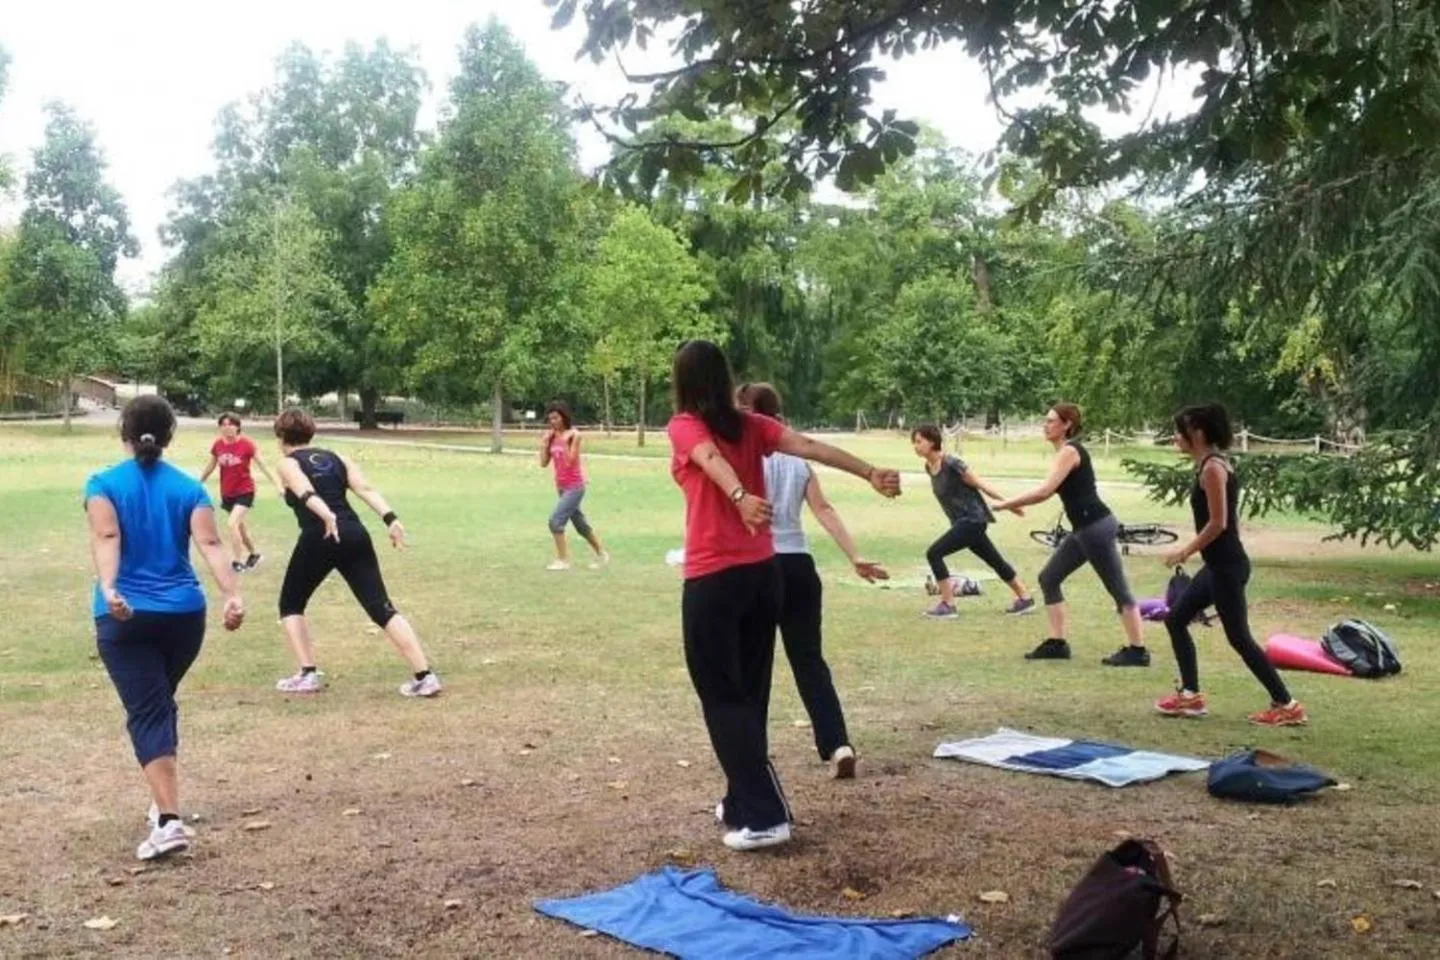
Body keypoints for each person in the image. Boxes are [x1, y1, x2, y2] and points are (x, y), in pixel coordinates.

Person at [670, 342, 900, 852]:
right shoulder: (752, 424)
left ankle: (767, 816)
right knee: (749, 693)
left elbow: (708, 458)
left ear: (683, 382)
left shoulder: (687, 424)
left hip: (714, 581)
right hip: (762, 576)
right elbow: (812, 448)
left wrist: (737, 497)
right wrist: (868, 472)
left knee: (721, 695)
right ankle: (741, 800)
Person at [85, 396, 245, 861]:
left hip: (126, 621)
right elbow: (212, 544)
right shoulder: (189, 489)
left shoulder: (103, 484)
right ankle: (161, 807)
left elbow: (107, 536)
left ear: (124, 433)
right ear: (170, 435)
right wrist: (232, 594)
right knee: (158, 703)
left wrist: (111, 588)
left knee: (150, 711)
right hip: (183, 618)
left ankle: (171, 822)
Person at [736, 382, 888, 781]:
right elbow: (823, 509)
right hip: (800, 566)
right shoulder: (799, 464)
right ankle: (838, 744)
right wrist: (854, 556)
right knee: (809, 661)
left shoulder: (745, 457)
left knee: (756, 665)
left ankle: (755, 756)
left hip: (760, 566)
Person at [1154, 404, 1308, 726]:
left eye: (1180, 430)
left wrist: (1185, 551)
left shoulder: (1213, 468)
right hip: (1217, 567)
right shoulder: (1206, 465)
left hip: (1227, 567)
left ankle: (1287, 704)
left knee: (1239, 638)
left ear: (1197, 433)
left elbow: (1219, 523)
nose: (1175, 437)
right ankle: (1191, 696)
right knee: (1176, 619)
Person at [270, 408, 441, 698]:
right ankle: (425, 676)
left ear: (281, 435)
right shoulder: (338, 458)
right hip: (354, 533)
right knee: (381, 606)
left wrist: (326, 516)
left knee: (290, 604)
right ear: (310, 433)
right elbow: (366, 489)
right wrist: (391, 518)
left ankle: (307, 674)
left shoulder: (287, 463)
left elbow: (304, 491)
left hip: (321, 535)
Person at [992, 403, 1149, 665]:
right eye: (1045, 420)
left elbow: (1045, 491)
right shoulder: (1064, 452)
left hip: (1096, 528)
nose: (1046, 425)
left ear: (1067, 425)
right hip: (1083, 529)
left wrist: (1006, 503)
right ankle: (1057, 644)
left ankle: (1138, 650)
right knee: (1049, 578)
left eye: (1052, 421)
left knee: (1117, 589)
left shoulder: (1070, 451)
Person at [910, 424, 1036, 620]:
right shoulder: (929, 467)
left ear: (932, 442)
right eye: (914, 442)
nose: (915, 446)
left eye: (919, 441)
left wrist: (1010, 505)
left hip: (973, 520)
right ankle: (1025, 598)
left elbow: (981, 485)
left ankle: (948, 604)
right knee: (994, 560)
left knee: (934, 553)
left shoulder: (952, 463)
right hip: (962, 523)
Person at [199, 412, 282, 573]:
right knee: (239, 527)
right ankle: (254, 554)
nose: (226, 427)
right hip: (227, 492)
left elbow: (264, 466)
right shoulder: (218, 445)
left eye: (230, 424)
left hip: (245, 491)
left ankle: (237, 562)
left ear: (237, 426)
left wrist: (278, 485)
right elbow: (211, 466)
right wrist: (198, 483)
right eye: (223, 424)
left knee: (232, 524)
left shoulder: (247, 444)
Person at [539, 401, 608, 571]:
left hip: (575, 486)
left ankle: (563, 560)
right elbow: (543, 463)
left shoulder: (574, 435)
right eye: (551, 419)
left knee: (555, 521)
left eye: (556, 418)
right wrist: (544, 444)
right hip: (561, 487)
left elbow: (570, 462)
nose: (553, 422)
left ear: (564, 417)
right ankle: (602, 554)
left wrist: (563, 442)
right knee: (580, 524)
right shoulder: (552, 436)